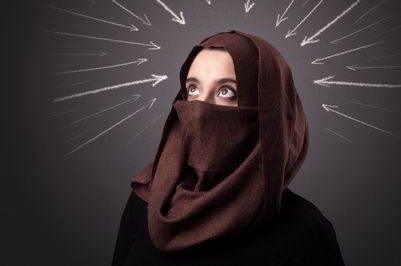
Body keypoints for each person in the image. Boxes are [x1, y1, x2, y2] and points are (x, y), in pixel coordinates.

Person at [111, 30, 345, 265]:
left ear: (268, 110)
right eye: (193, 89)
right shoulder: (148, 201)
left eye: (226, 91)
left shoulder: (305, 235)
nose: (201, 109)